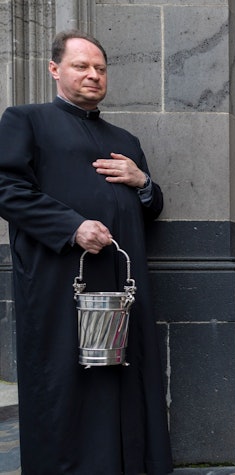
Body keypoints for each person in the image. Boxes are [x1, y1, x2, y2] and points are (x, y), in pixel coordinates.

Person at [0, 29, 173, 474]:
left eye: (100, 68)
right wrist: (72, 227)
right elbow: (6, 189)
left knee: (124, 374)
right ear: (55, 69)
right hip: (59, 280)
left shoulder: (126, 141)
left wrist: (143, 182)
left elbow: (152, 207)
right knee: (66, 379)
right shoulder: (26, 120)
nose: (93, 75)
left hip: (122, 281)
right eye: (81, 66)